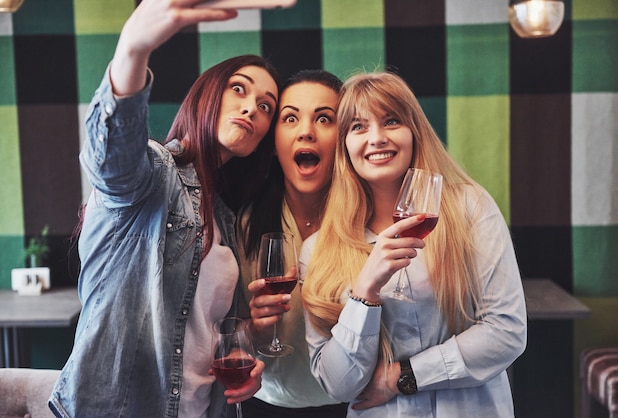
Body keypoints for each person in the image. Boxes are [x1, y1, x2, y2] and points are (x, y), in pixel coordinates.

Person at [48, 1, 281, 417]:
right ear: (208, 94)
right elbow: (110, 161)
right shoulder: (156, 172)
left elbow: (199, 331)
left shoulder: (225, 216)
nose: (251, 108)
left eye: (266, 106)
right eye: (239, 89)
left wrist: (250, 339)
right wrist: (133, 50)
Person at [300, 71, 527, 417]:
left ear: (414, 132)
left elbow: (506, 332)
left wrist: (402, 377)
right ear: (345, 146)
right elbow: (337, 385)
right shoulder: (317, 250)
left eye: (391, 121)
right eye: (358, 127)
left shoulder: (471, 208)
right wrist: (364, 294)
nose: (376, 138)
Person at [236, 70, 349, 417]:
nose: (306, 131)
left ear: (346, 136)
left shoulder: (369, 225)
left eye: (324, 119)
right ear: (273, 142)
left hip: (352, 403)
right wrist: (252, 329)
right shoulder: (241, 223)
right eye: (290, 118)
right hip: (264, 402)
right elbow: (210, 334)